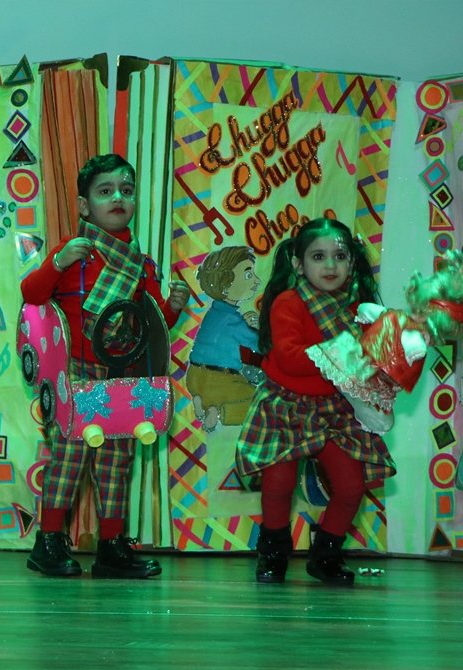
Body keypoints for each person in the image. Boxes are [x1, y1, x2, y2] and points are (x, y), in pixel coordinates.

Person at [20, 153, 190, 578]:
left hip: (123, 375)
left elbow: (150, 327)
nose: (118, 198)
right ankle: (48, 542)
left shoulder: (140, 264)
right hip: (77, 372)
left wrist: (171, 306)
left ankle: (112, 547)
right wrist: (57, 262)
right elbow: (32, 295)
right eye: (105, 191)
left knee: (117, 461)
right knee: (69, 459)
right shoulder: (74, 252)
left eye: (126, 190)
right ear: (84, 206)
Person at [236, 217, 396, 587]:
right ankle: (273, 552)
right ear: (298, 264)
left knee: (351, 486)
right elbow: (291, 359)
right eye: (318, 256)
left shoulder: (359, 308)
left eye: (339, 256)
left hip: (334, 408)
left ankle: (326, 554)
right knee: (278, 483)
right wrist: (345, 353)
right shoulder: (288, 303)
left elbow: (374, 360)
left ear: (352, 262)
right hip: (285, 405)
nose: (330, 265)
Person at [306, 249, 463, 434]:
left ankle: (353, 399)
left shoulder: (393, 316)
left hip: (373, 376)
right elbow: (412, 348)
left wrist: (361, 316)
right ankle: (350, 394)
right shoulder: (415, 341)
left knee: (385, 421)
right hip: (364, 371)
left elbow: (367, 309)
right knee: (383, 420)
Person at [187, 246, 261, 432]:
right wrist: (259, 327)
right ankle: (219, 412)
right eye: (248, 275)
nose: (257, 281)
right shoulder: (233, 321)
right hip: (221, 380)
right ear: (226, 285)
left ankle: (201, 401)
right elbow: (259, 345)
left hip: (194, 376)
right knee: (260, 404)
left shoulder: (213, 314)